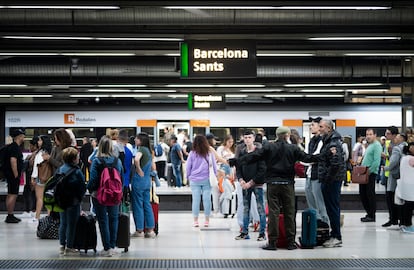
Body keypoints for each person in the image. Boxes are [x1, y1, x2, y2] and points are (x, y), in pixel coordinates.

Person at [239, 126, 317, 251]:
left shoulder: (269, 147)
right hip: (287, 184)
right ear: (287, 135)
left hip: (272, 184)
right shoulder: (293, 148)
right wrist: (325, 155)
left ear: (276, 135)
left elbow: (254, 156)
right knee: (289, 213)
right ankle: (290, 242)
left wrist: (237, 161)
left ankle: (272, 243)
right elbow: (307, 158)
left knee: (273, 213)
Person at [87, 136, 123, 257]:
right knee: (114, 219)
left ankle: (106, 248)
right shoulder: (117, 161)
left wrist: (90, 189)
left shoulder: (97, 161)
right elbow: (121, 177)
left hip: (99, 195)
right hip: (114, 194)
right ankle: (112, 246)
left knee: (103, 220)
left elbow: (93, 179)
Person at [317, 119, 346, 248]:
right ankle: (334, 234)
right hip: (329, 180)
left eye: (321, 127)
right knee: (331, 208)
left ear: (329, 128)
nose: (319, 129)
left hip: (332, 181)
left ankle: (337, 236)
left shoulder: (333, 143)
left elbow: (336, 163)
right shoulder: (328, 141)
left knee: (333, 208)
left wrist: (328, 179)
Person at [234, 130, 267, 241]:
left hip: (257, 184)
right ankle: (244, 232)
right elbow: (238, 168)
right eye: (246, 137)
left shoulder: (259, 152)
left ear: (253, 138)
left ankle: (262, 233)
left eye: (249, 137)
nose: (247, 139)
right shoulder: (242, 152)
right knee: (245, 209)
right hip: (245, 184)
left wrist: (251, 182)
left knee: (260, 208)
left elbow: (262, 170)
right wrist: (241, 180)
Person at [58, 147, 86, 256]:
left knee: (63, 222)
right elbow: (82, 187)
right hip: (73, 201)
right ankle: (69, 247)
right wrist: (79, 198)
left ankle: (62, 245)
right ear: (74, 159)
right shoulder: (77, 171)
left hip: (61, 200)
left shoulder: (60, 169)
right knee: (71, 224)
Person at [186, 134, 216, 227]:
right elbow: (214, 166)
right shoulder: (209, 153)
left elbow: (188, 167)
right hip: (207, 179)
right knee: (207, 200)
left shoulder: (192, 153)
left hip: (194, 180)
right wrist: (214, 176)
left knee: (196, 200)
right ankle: (207, 220)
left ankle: (195, 221)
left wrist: (188, 177)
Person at [304, 117, 330, 225]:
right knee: (311, 202)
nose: (311, 127)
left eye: (313, 125)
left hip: (318, 175)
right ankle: (315, 224)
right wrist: (309, 159)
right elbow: (305, 158)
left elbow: (316, 157)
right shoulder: (311, 141)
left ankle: (325, 224)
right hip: (309, 174)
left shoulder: (322, 141)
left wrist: (309, 159)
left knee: (320, 202)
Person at [131, 133, 157, 238]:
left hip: (138, 181)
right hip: (147, 182)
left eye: (136, 138)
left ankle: (140, 230)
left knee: (137, 206)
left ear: (140, 140)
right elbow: (153, 168)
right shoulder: (149, 152)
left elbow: (136, 159)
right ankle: (150, 230)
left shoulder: (141, 149)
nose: (135, 140)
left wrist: (138, 169)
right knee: (147, 205)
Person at [382, 133, 407, 227]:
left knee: (391, 198)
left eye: (397, 137)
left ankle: (393, 219)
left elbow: (393, 162)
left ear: (401, 138)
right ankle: (402, 220)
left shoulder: (397, 148)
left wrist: (385, 168)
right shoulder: (407, 148)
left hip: (394, 177)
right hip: (404, 177)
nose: (395, 139)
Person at [359, 128, 382, 222]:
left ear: (375, 135)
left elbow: (377, 161)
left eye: (370, 134)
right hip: (364, 172)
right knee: (363, 194)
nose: (368, 136)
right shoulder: (370, 145)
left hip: (370, 173)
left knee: (370, 194)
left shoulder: (377, 145)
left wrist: (369, 172)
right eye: (367, 134)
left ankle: (372, 215)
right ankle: (369, 213)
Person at [4, 129, 25, 223]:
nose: (24, 138)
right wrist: (16, 175)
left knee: (10, 194)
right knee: (13, 194)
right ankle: (10, 215)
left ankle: (10, 214)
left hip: (9, 174)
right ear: (19, 137)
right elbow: (13, 161)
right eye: (23, 136)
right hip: (13, 175)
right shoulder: (15, 147)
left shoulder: (10, 147)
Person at [31, 135, 53, 222]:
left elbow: (37, 167)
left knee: (39, 198)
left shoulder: (40, 153)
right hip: (49, 177)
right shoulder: (50, 152)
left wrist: (33, 178)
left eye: (40, 141)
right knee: (48, 198)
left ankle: (37, 217)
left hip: (41, 178)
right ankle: (49, 217)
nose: (38, 142)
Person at [397, 142, 414, 233]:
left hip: (404, 186)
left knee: (405, 206)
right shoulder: (411, 159)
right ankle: (408, 225)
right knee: (409, 207)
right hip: (410, 187)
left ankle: (403, 224)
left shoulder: (404, 158)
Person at [20, 136, 38, 218]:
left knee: (32, 194)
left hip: (33, 177)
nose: (29, 147)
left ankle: (32, 210)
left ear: (35, 146)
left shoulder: (36, 155)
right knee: (28, 193)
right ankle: (29, 210)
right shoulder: (32, 155)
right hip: (29, 177)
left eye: (31, 146)